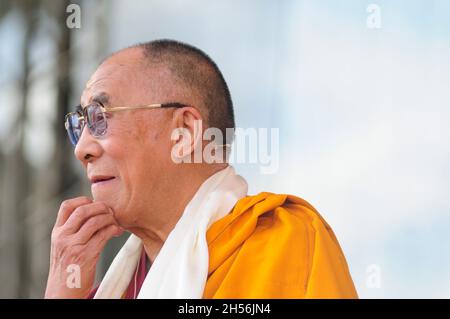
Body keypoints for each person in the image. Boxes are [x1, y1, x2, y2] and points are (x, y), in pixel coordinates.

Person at [44, 39, 358, 299]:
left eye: (100, 117)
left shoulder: (282, 243)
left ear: (184, 132)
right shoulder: (111, 290)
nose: (81, 148)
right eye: (80, 124)